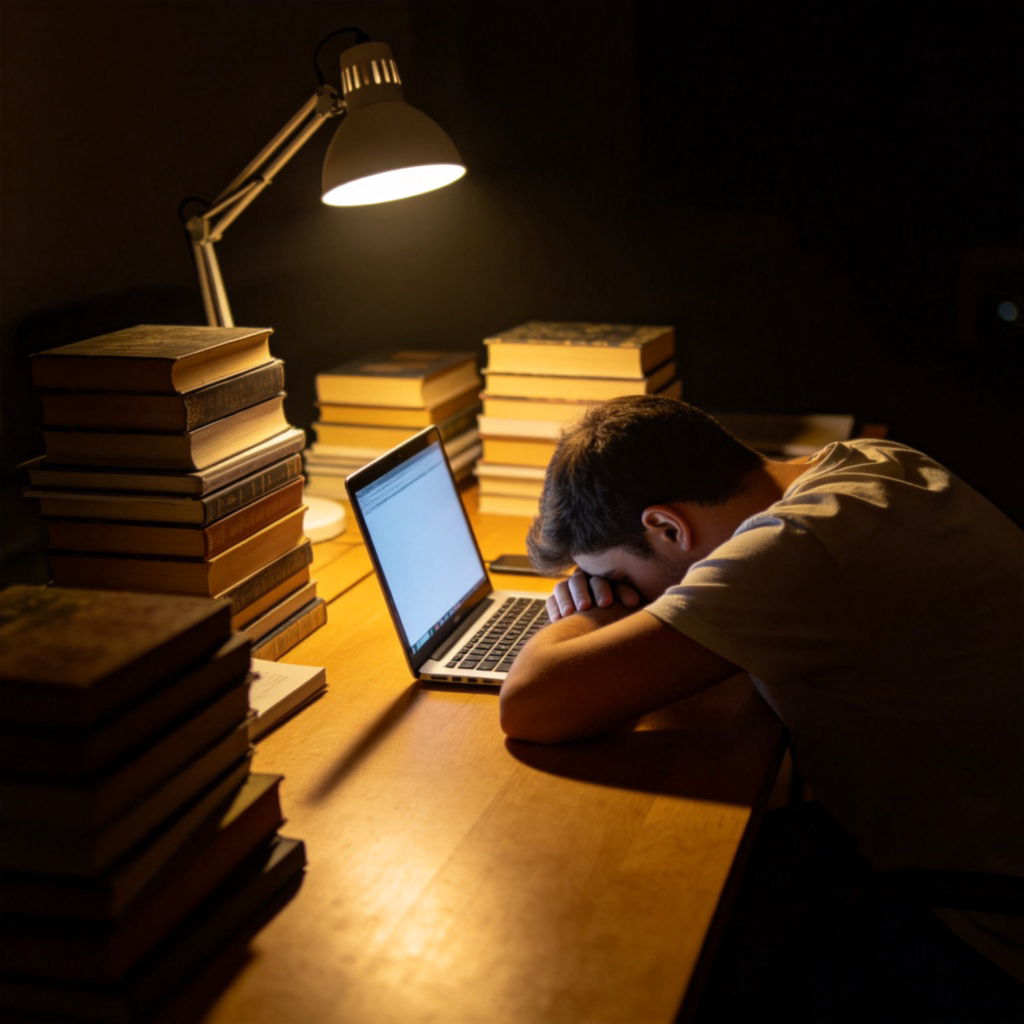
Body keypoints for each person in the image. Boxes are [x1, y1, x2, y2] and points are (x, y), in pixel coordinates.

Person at [499, 395, 1023, 1020]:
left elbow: (533, 704)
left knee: (649, 955)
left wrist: (586, 615)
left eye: (622, 583)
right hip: (970, 842)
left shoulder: (798, 547)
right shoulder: (866, 464)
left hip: (983, 930)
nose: (623, 600)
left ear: (667, 527)